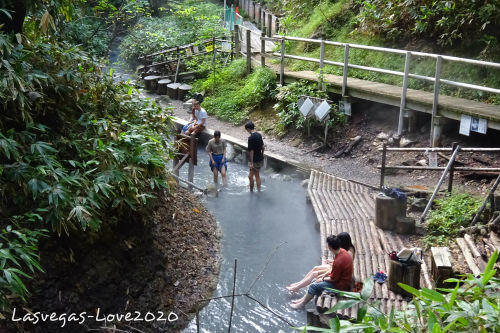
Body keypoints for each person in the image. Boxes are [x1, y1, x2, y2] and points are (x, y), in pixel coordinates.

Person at [290, 235, 353, 309]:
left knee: (313, 286)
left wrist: (323, 278)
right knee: (315, 280)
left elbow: (334, 279)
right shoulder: (343, 251)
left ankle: (301, 305)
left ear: (330, 247)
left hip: (340, 286)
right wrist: (324, 275)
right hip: (342, 279)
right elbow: (334, 270)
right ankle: (302, 300)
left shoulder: (338, 261)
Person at [286, 232, 355, 293]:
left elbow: (340, 267)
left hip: (338, 272)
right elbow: (342, 263)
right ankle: (298, 284)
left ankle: (297, 287)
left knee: (314, 274)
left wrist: (324, 275)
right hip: (336, 267)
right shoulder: (344, 250)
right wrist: (332, 261)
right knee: (315, 268)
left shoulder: (348, 253)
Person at [245, 121, 264, 192]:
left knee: (250, 177)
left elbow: (251, 151)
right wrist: (262, 154)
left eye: (246, 129)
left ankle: (251, 191)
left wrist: (251, 163)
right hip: (260, 158)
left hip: (254, 160)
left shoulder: (251, 138)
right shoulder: (259, 135)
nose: (247, 131)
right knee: (257, 175)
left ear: (248, 129)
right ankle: (259, 191)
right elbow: (263, 147)